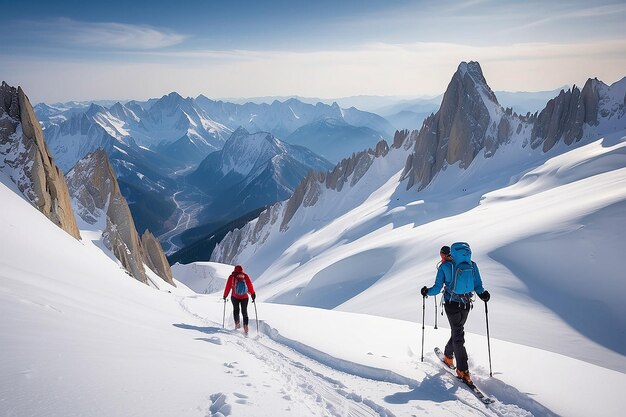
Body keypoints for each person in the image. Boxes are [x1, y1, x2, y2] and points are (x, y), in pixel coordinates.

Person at [421, 243, 490, 384]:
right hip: (466, 304)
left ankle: (463, 370)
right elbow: (478, 285)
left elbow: (437, 288)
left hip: (451, 304)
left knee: (458, 335)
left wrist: (426, 291)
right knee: (458, 332)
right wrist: (483, 295)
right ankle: (448, 355)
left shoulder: (445, 267)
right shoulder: (472, 265)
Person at [223, 265, 256, 334]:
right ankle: (245, 326)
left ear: (235, 269)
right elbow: (250, 285)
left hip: (234, 297)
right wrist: (253, 294)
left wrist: (225, 295)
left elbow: (228, 287)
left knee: (236, 310)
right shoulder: (245, 276)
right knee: (244, 312)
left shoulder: (232, 277)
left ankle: (237, 324)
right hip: (245, 297)